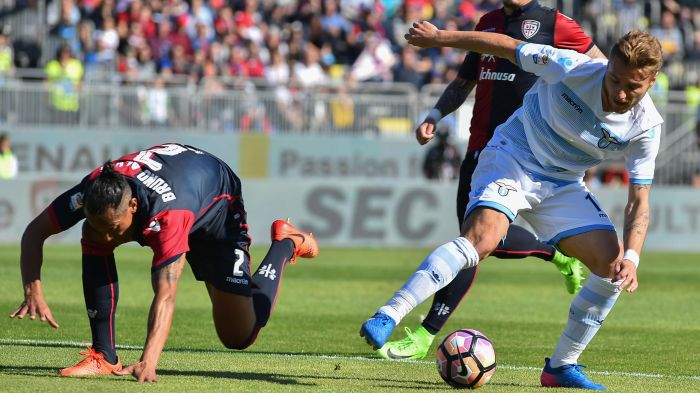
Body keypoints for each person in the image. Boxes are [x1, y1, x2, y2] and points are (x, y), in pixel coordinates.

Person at [362, 24, 662, 391]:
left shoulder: (646, 126)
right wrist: (440, 38)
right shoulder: (572, 66)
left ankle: (561, 367)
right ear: (607, 67)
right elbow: (506, 46)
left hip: (563, 184)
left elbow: (639, 199)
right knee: (483, 240)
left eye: (632, 86)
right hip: (513, 157)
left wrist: (632, 257)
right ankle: (389, 314)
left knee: (612, 267)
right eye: (614, 79)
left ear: (650, 83)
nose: (619, 92)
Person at [377, 0, 607, 361]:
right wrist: (435, 115)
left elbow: (600, 69)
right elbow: (465, 80)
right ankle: (556, 254)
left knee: (471, 244)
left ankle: (424, 335)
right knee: (468, 245)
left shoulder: (556, 24)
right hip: (481, 149)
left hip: (527, 153)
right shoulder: (487, 22)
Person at [10, 143, 319, 382]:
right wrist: (32, 289)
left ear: (132, 205)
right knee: (93, 238)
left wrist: (150, 359)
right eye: (99, 223)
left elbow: (167, 294)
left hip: (216, 209)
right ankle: (104, 355)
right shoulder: (93, 190)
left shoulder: (168, 216)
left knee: (239, 335)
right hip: (181, 182)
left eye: (114, 227)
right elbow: (34, 232)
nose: (107, 236)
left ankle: (285, 242)